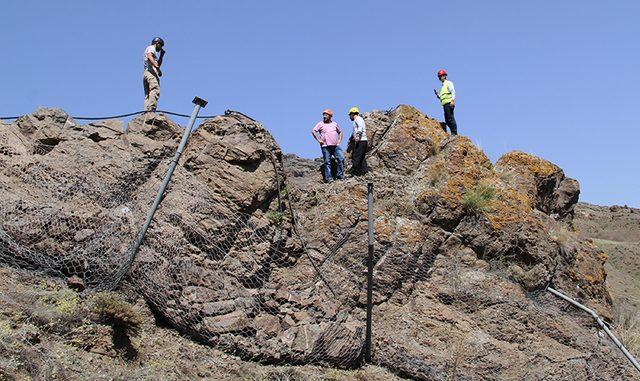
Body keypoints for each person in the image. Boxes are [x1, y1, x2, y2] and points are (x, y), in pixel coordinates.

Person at [311, 109, 344, 183]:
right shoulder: (320, 124)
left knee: (341, 158)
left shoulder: (335, 124)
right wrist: (319, 140)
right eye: (323, 115)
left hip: (335, 146)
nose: (324, 116)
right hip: (325, 146)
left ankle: (340, 175)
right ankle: (329, 178)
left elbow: (340, 132)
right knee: (327, 162)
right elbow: (313, 131)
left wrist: (339, 141)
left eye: (326, 115)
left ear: (330, 116)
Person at [143, 37, 166, 111]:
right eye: (161, 45)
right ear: (157, 43)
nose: (160, 48)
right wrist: (157, 68)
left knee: (148, 94)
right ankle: (151, 109)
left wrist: (161, 56)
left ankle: (147, 110)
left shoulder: (153, 52)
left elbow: (157, 64)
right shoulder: (151, 48)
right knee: (155, 89)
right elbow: (150, 56)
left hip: (147, 73)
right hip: (150, 73)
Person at [434, 69, 457, 135]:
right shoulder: (443, 86)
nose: (440, 78)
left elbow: (453, 92)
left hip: (449, 103)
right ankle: (452, 133)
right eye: (439, 77)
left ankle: (454, 133)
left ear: (444, 76)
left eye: (441, 76)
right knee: (447, 119)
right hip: (445, 104)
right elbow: (442, 97)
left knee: (450, 118)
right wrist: (438, 95)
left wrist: (452, 100)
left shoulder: (448, 83)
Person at [348, 107, 368, 176]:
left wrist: (358, 135)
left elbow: (360, 127)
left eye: (349, 115)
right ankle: (364, 171)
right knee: (361, 157)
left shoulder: (358, 119)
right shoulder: (356, 120)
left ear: (352, 114)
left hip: (361, 140)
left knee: (355, 157)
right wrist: (351, 137)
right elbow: (355, 130)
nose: (349, 117)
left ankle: (356, 172)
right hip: (362, 141)